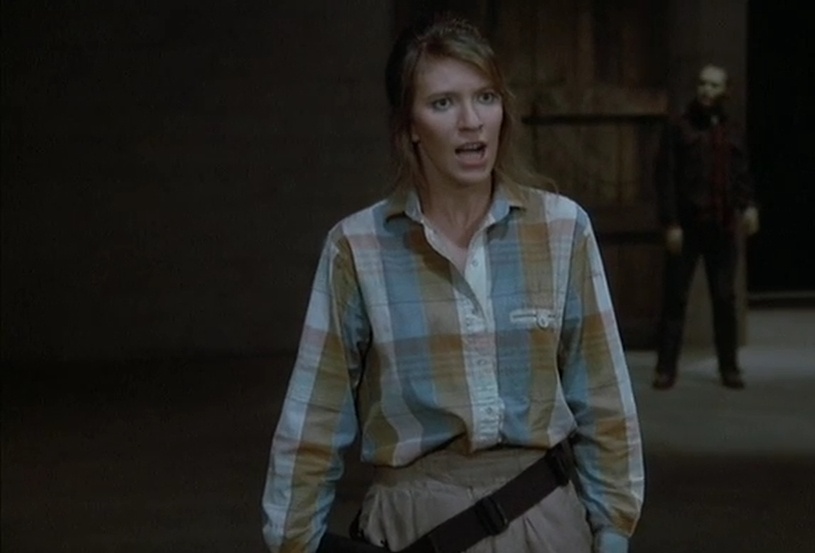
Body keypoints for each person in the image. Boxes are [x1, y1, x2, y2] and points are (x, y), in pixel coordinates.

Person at [261, 13, 644, 553]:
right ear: (410, 126)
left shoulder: (561, 228)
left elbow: (602, 392)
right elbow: (315, 415)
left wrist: (614, 527)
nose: (472, 122)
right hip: (414, 524)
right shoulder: (358, 247)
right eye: (443, 103)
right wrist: (294, 538)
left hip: (543, 518)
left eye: (485, 97)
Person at [651, 63, 758, 391]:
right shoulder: (679, 128)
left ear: (725, 91)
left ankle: (729, 367)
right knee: (675, 298)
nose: (706, 90)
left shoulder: (732, 129)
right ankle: (665, 368)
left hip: (722, 226)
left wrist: (749, 205)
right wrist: (670, 222)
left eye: (713, 85)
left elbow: (741, 172)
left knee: (725, 299)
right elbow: (665, 176)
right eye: (702, 84)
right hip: (687, 225)